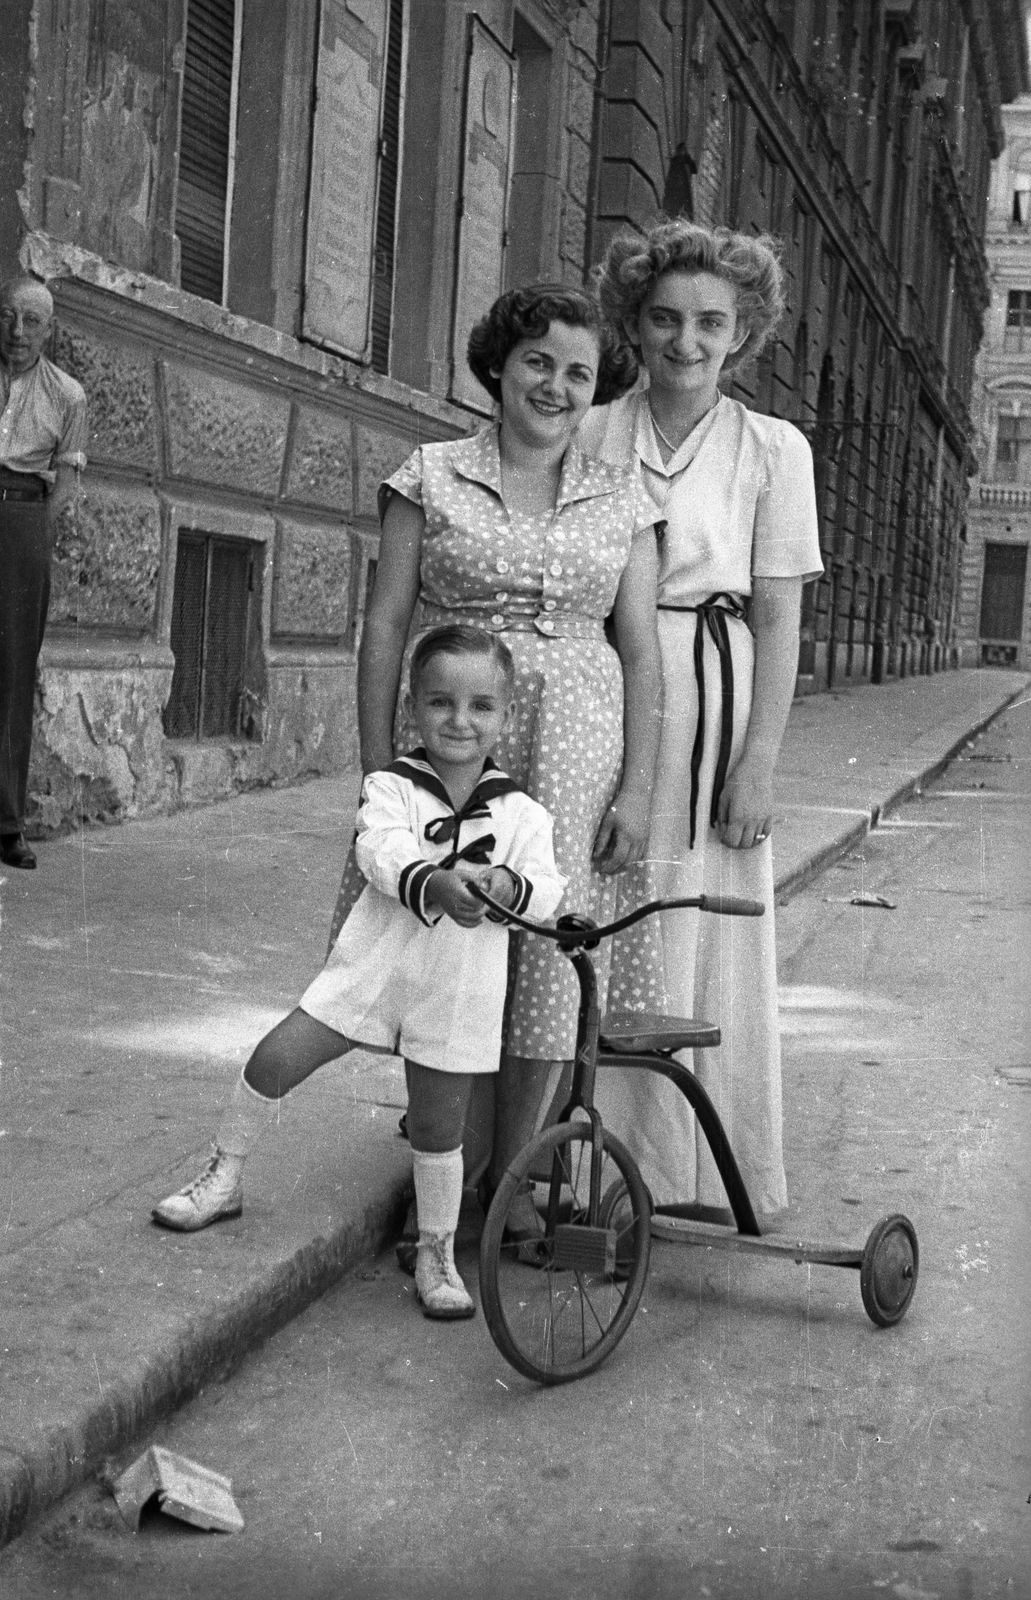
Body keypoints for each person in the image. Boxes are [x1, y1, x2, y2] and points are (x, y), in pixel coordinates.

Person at [352, 283, 662, 1232]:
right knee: (447, 943)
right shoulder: (430, 475)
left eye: (578, 372)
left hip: (576, 749)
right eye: (538, 362)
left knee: (540, 950)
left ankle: (510, 1183)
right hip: (452, 741)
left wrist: (639, 789)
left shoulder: (625, 497)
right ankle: (446, 1171)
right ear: (499, 365)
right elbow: (384, 626)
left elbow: (643, 651)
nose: (556, 386)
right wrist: (379, 780)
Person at [153, 627, 566, 1320]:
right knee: (276, 1056)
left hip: (458, 984)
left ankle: (435, 1249)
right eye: (440, 703)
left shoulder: (523, 813)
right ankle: (222, 1175)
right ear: (412, 708)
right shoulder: (390, 787)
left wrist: (501, 883)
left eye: (480, 706)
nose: (459, 721)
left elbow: (547, 890)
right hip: (374, 966)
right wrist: (434, 882)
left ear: (506, 718)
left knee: (440, 1126)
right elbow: (378, 850)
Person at [582, 220, 823, 1221]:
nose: (685, 341)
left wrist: (757, 763)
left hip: (718, 703)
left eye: (709, 323)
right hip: (604, 689)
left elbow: (776, 614)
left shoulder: (772, 448)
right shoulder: (593, 431)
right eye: (665, 319)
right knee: (600, 916)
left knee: (705, 928)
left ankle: (697, 1172)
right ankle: (589, 1167)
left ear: (741, 333)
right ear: (632, 325)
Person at [0, 274, 87, 869]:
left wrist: (28, 530)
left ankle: (6, 823)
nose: (17, 332)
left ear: (49, 330)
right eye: (8, 316)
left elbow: (66, 486)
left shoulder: (68, 397)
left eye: (32, 321)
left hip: (22, 520)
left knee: (11, 671)